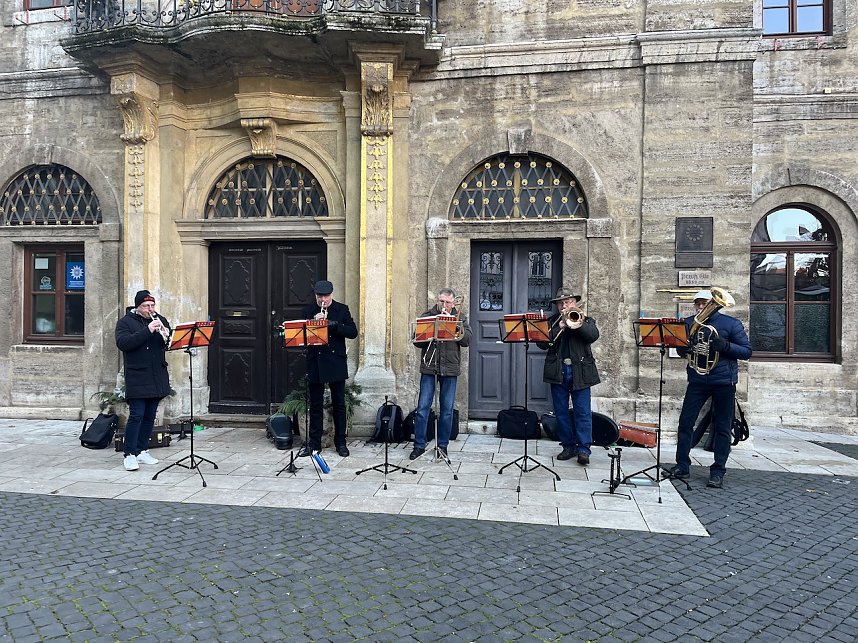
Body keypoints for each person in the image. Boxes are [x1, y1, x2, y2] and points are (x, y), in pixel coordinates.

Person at [668, 289, 752, 488]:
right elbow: (681, 350)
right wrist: (685, 348)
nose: (700, 306)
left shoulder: (731, 324)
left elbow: (747, 351)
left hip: (724, 382)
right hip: (697, 380)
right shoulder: (689, 323)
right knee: (685, 423)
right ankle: (682, 465)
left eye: (704, 303)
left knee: (723, 427)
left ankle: (718, 471)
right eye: (697, 303)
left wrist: (725, 346)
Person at [538, 287, 601, 466]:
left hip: (580, 371)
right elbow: (541, 343)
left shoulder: (585, 320)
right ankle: (568, 446)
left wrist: (577, 324)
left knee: (582, 412)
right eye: (561, 303)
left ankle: (584, 450)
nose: (564, 306)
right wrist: (559, 326)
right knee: (561, 412)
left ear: (574, 303)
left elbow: (593, 335)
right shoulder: (552, 322)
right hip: (558, 371)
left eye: (567, 302)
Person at [297, 280, 358, 458]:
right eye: (320, 296)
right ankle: (314, 444)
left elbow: (352, 332)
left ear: (331, 294)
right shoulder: (308, 311)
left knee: (339, 404)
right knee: (315, 405)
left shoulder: (342, 309)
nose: (323, 300)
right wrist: (312, 323)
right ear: (315, 295)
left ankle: (341, 443)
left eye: (326, 296)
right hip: (315, 361)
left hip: (335, 361)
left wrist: (333, 325)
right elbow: (301, 336)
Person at [410, 288, 472, 460]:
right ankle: (419, 445)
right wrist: (428, 332)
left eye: (447, 302)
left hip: (450, 368)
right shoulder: (427, 316)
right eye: (441, 301)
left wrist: (454, 324)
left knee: (447, 410)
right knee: (423, 408)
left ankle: (442, 446)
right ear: (437, 300)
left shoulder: (460, 317)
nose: (444, 305)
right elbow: (417, 342)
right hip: (429, 367)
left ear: (453, 303)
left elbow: (468, 340)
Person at [115, 290, 172, 472]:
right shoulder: (125, 322)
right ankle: (129, 454)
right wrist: (148, 330)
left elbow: (167, 344)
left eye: (152, 305)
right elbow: (124, 343)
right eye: (146, 306)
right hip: (138, 375)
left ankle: (142, 450)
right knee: (137, 415)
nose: (150, 309)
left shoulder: (160, 319)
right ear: (137, 307)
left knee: (149, 416)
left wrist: (167, 337)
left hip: (156, 374)